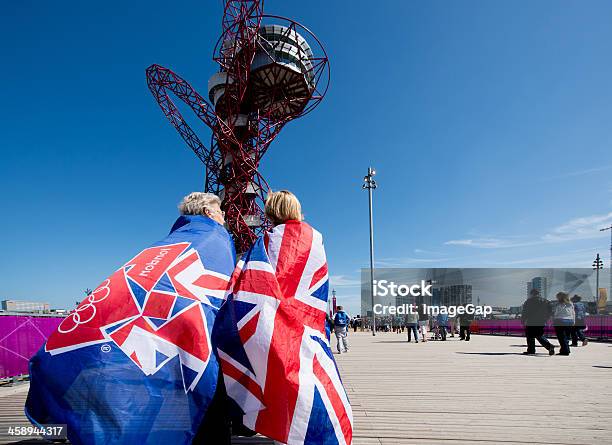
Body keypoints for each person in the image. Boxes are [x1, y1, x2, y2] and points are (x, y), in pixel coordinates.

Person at [520, 288, 555, 356]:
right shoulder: (546, 301)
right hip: (542, 321)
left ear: (531, 294)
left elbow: (525, 312)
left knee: (530, 335)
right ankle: (548, 346)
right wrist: (547, 319)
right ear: (539, 293)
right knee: (539, 334)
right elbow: (550, 311)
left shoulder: (528, 301)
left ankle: (532, 350)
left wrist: (523, 320)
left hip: (531, 320)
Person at [552, 292, 575, 356]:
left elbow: (556, 313)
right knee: (567, 337)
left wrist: (553, 318)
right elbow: (573, 313)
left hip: (560, 321)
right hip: (570, 321)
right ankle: (564, 349)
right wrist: (573, 321)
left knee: (561, 337)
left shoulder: (558, 304)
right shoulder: (571, 303)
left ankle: (565, 351)